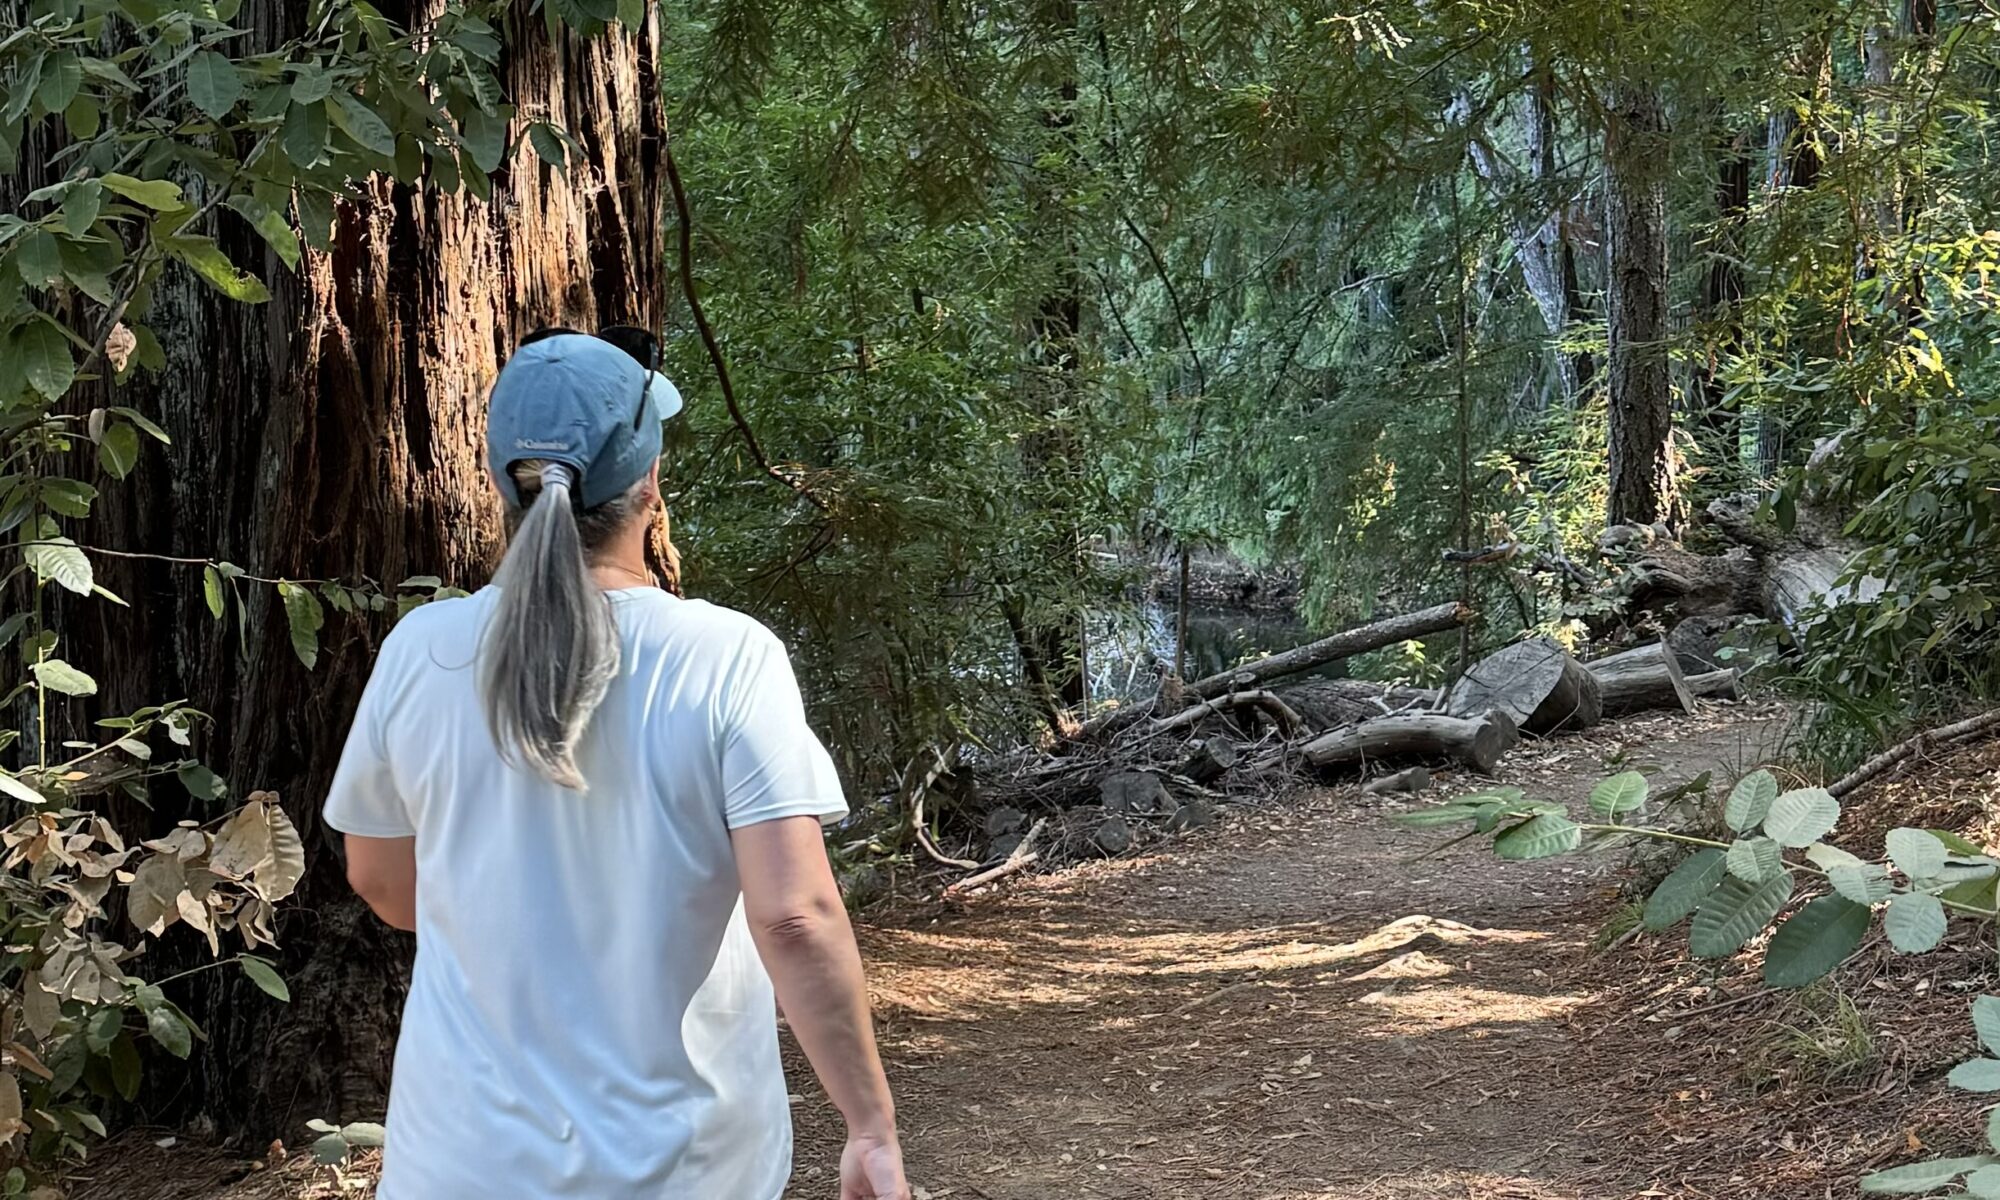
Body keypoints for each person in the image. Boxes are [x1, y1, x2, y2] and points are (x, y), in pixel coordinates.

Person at [323, 330, 909, 1200]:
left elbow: (382, 883)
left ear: (499, 484)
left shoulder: (423, 652)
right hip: (687, 1166)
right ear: (650, 484)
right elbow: (793, 916)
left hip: (461, 1162)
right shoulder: (725, 658)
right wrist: (870, 1127)